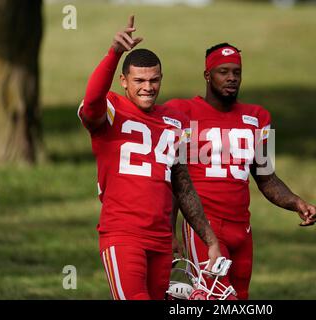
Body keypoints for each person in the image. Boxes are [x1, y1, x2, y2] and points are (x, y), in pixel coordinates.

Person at [78, 16, 221, 300]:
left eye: (154, 80)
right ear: (123, 81)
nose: (148, 87)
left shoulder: (175, 121)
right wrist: (114, 53)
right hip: (123, 234)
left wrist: (210, 240)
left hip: (160, 240)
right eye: (139, 80)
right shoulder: (112, 109)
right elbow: (92, 102)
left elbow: (182, 185)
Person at [165, 43, 316, 300]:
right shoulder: (182, 111)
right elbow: (172, 178)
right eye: (223, 71)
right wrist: (168, 230)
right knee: (216, 297)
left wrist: (296, 202)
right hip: (204, 225)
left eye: (236, 72)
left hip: (242, 229)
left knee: (240, 298)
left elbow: (266, 176)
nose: (231, 78)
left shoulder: (258, 116)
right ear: (207, 75)